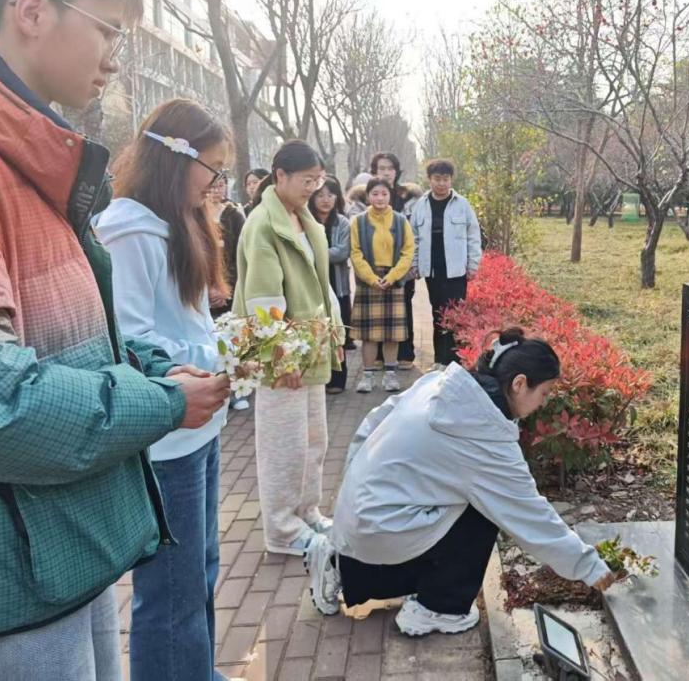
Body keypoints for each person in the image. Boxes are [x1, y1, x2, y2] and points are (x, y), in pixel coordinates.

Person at [0, 0, 228, 678]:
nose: (116, 62)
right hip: (18, 576)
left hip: (63, 544)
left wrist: (154, 370)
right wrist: (158, 400)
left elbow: (92, 339)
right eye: (109, 32)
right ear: (32, 11)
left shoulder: (38, 161)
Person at [304, 329, 617, 634]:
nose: (544, 403)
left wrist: (352, 492)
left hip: (364, 513)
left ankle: (342, 565)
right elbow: (529, 513)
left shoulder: (444, 384)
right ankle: (439, 607)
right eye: (545, 393)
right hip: (377, 525)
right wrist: (590, 567)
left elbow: (374, 419)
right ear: (519, 384)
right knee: (481, 513)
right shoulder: (482, 434)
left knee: (463, 504)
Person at [93, 99, 231, 681]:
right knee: (170, 590)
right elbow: (130, 343)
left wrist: (233, 346)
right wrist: (225, 355)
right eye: (213, 169)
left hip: (201, 423)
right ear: (177, 158)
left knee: (199, 569)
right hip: (167, 434)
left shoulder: (178, 221)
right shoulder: (129, 230)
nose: (216, 183)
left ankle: (197, 671)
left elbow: (188, 326)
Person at [233, 140, 345, 556]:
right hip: (283, 356)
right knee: (284, 445)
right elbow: (264, 299)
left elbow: (321, 286)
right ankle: (281, 530)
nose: (314, 189)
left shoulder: (302, 218)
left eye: (318, 181)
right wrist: (280, 354)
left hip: (309, 348)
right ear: (279, 175)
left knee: (314, 439)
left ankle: (306, 510)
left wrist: (332, 334)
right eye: (306, 180)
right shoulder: (263, 224)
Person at [351, 153, 422, 369]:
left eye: (390, 168)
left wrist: (402, 271)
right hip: (371, 272)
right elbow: (356, 249)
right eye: (381, 168)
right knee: (374, 323)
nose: (386, 172)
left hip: (400, 269)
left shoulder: (408, 197)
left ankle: (404, 355)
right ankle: (377, 360)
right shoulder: (360, 207)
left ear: (396, 171)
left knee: (403, 312)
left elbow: (412, 240)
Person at [410, 159, 482, 368]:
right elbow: (414, 237)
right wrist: (415, 264)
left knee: (455, 317)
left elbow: (473, 236)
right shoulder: (421, 205)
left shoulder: (462, 204)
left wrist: (473, 265)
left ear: (451, 180)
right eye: (437, 179)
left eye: (445, 179)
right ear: (429, 179)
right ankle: (439, 360)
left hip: (457, 271)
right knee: (437, 314)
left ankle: (455, 360)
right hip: (433, 270)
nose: (441, 183)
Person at [348, 177, 415, 394]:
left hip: (392, 281)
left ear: (390, 196)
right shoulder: (358, 222)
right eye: (375, 193)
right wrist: (370, 277)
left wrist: (394, 276)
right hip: (369, 281)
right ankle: (367, 376)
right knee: (369, 334)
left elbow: (408, 252)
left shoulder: (400, 221)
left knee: (391, 334)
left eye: (384, 194)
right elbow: (355, 253)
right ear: (368, 196)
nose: (379, 198)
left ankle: (390, 375)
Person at [310, 176, 354, 393]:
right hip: (313, 287)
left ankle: (338, 379)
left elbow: (342, 252)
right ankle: (320, 378)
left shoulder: (343, 223)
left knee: (338, 334)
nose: (325, 200)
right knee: (317, 333)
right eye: (320, 195)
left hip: (338, 286)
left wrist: (314, 253)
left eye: (330, 194)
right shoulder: (305, 221)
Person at [207, 172, 246, 317]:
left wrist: (226, 288)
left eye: (220, 186)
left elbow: (240, 256)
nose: (216, 191)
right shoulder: (196, 215)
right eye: (212, 187)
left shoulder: (234, 215)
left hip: (230, 288)